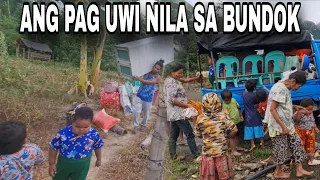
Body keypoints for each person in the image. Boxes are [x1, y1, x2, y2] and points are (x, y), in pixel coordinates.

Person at [265, 71, 314, 178]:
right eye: (299, 86)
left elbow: (282, 104)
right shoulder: (280, 89)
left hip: (287, 124)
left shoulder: (285, 87)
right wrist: (283, 127)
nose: (298, 88)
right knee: (281, 149)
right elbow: (272, 109)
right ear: (293, 81)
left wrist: (294, 106)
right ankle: (278, 172)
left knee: (297, 145)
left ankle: (299, 170)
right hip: (279, 126)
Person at [49, 107, 104, 180]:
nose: (81, 130)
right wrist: (52, 164)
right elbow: (53, 147)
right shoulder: (63, 134)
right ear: (73, 122)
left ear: (91, 123)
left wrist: (99, 159)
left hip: (82, 165)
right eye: (77, 126)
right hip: (64, 165)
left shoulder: (94, 134)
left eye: (85, 127)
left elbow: (97, 146)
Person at [195, 92, 237, 180]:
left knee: (211, 176)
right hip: (221, 150)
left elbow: (198, 134)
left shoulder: (200, 118)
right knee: (223, 174)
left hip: (208, 152)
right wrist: (227, 136)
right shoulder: (223, 116)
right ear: (218, 103)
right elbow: (235, 129)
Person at [164, 62, 200, 160]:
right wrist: (186, 105)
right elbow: (172, 100)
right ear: (172, 72)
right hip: (178, 113)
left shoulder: (174, 79)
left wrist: (195, 79)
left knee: (173, 135)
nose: (180, 75)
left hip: (174, 113)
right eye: (178, 73)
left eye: (181, 73)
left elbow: (184, 80)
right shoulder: (171, 83)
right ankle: (196, 154)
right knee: (189, 133)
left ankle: (173, 156)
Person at [132, 59, 164, 134]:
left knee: (146, 113)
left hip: (148, 97)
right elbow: (139, 73)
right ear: (153, 66)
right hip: (139, 94)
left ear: (160, 70)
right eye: (155, 67)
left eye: (158, 69)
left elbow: (148, 82)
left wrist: (139, 79)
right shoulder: (146, 72)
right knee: (136, 111)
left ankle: (143, 125)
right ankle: (135, 126)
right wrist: (135, 76)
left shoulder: (158, 77)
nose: (155, 69)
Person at [294, 98, 320, 166]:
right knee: (300, 145)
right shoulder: (298, 113)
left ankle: (311, 160)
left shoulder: (311, 113)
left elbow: (313, 121)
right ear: (302, 108)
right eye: (308, 109)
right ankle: (299, 162)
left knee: (311, 145)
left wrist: (316, 128)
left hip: (310, 131)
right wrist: (299, 113)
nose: (310, 111)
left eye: (312, 109)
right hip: (301, 132)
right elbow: (296, 120)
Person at [243, 79, 264, 151]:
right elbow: (258, 102)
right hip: (255, 114)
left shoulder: (244, 94)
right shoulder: (255, 95)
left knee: (249, 129)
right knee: (258, 128)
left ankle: (253, 144)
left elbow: (246, 91)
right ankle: (262, 143)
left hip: (248, 116)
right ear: (254, 87)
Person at [221, 89, 244, 156]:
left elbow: (238, 108)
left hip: (237, 120)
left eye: (229, 99)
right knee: (231, 136)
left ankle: (235, 147)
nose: (228, 101)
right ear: (223, 99)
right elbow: (226, 115)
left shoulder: (233, 100)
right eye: (226, 100)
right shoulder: (224, 105)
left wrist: (241, 116)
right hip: (231, 123)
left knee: (237, 135)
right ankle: (232, 150)